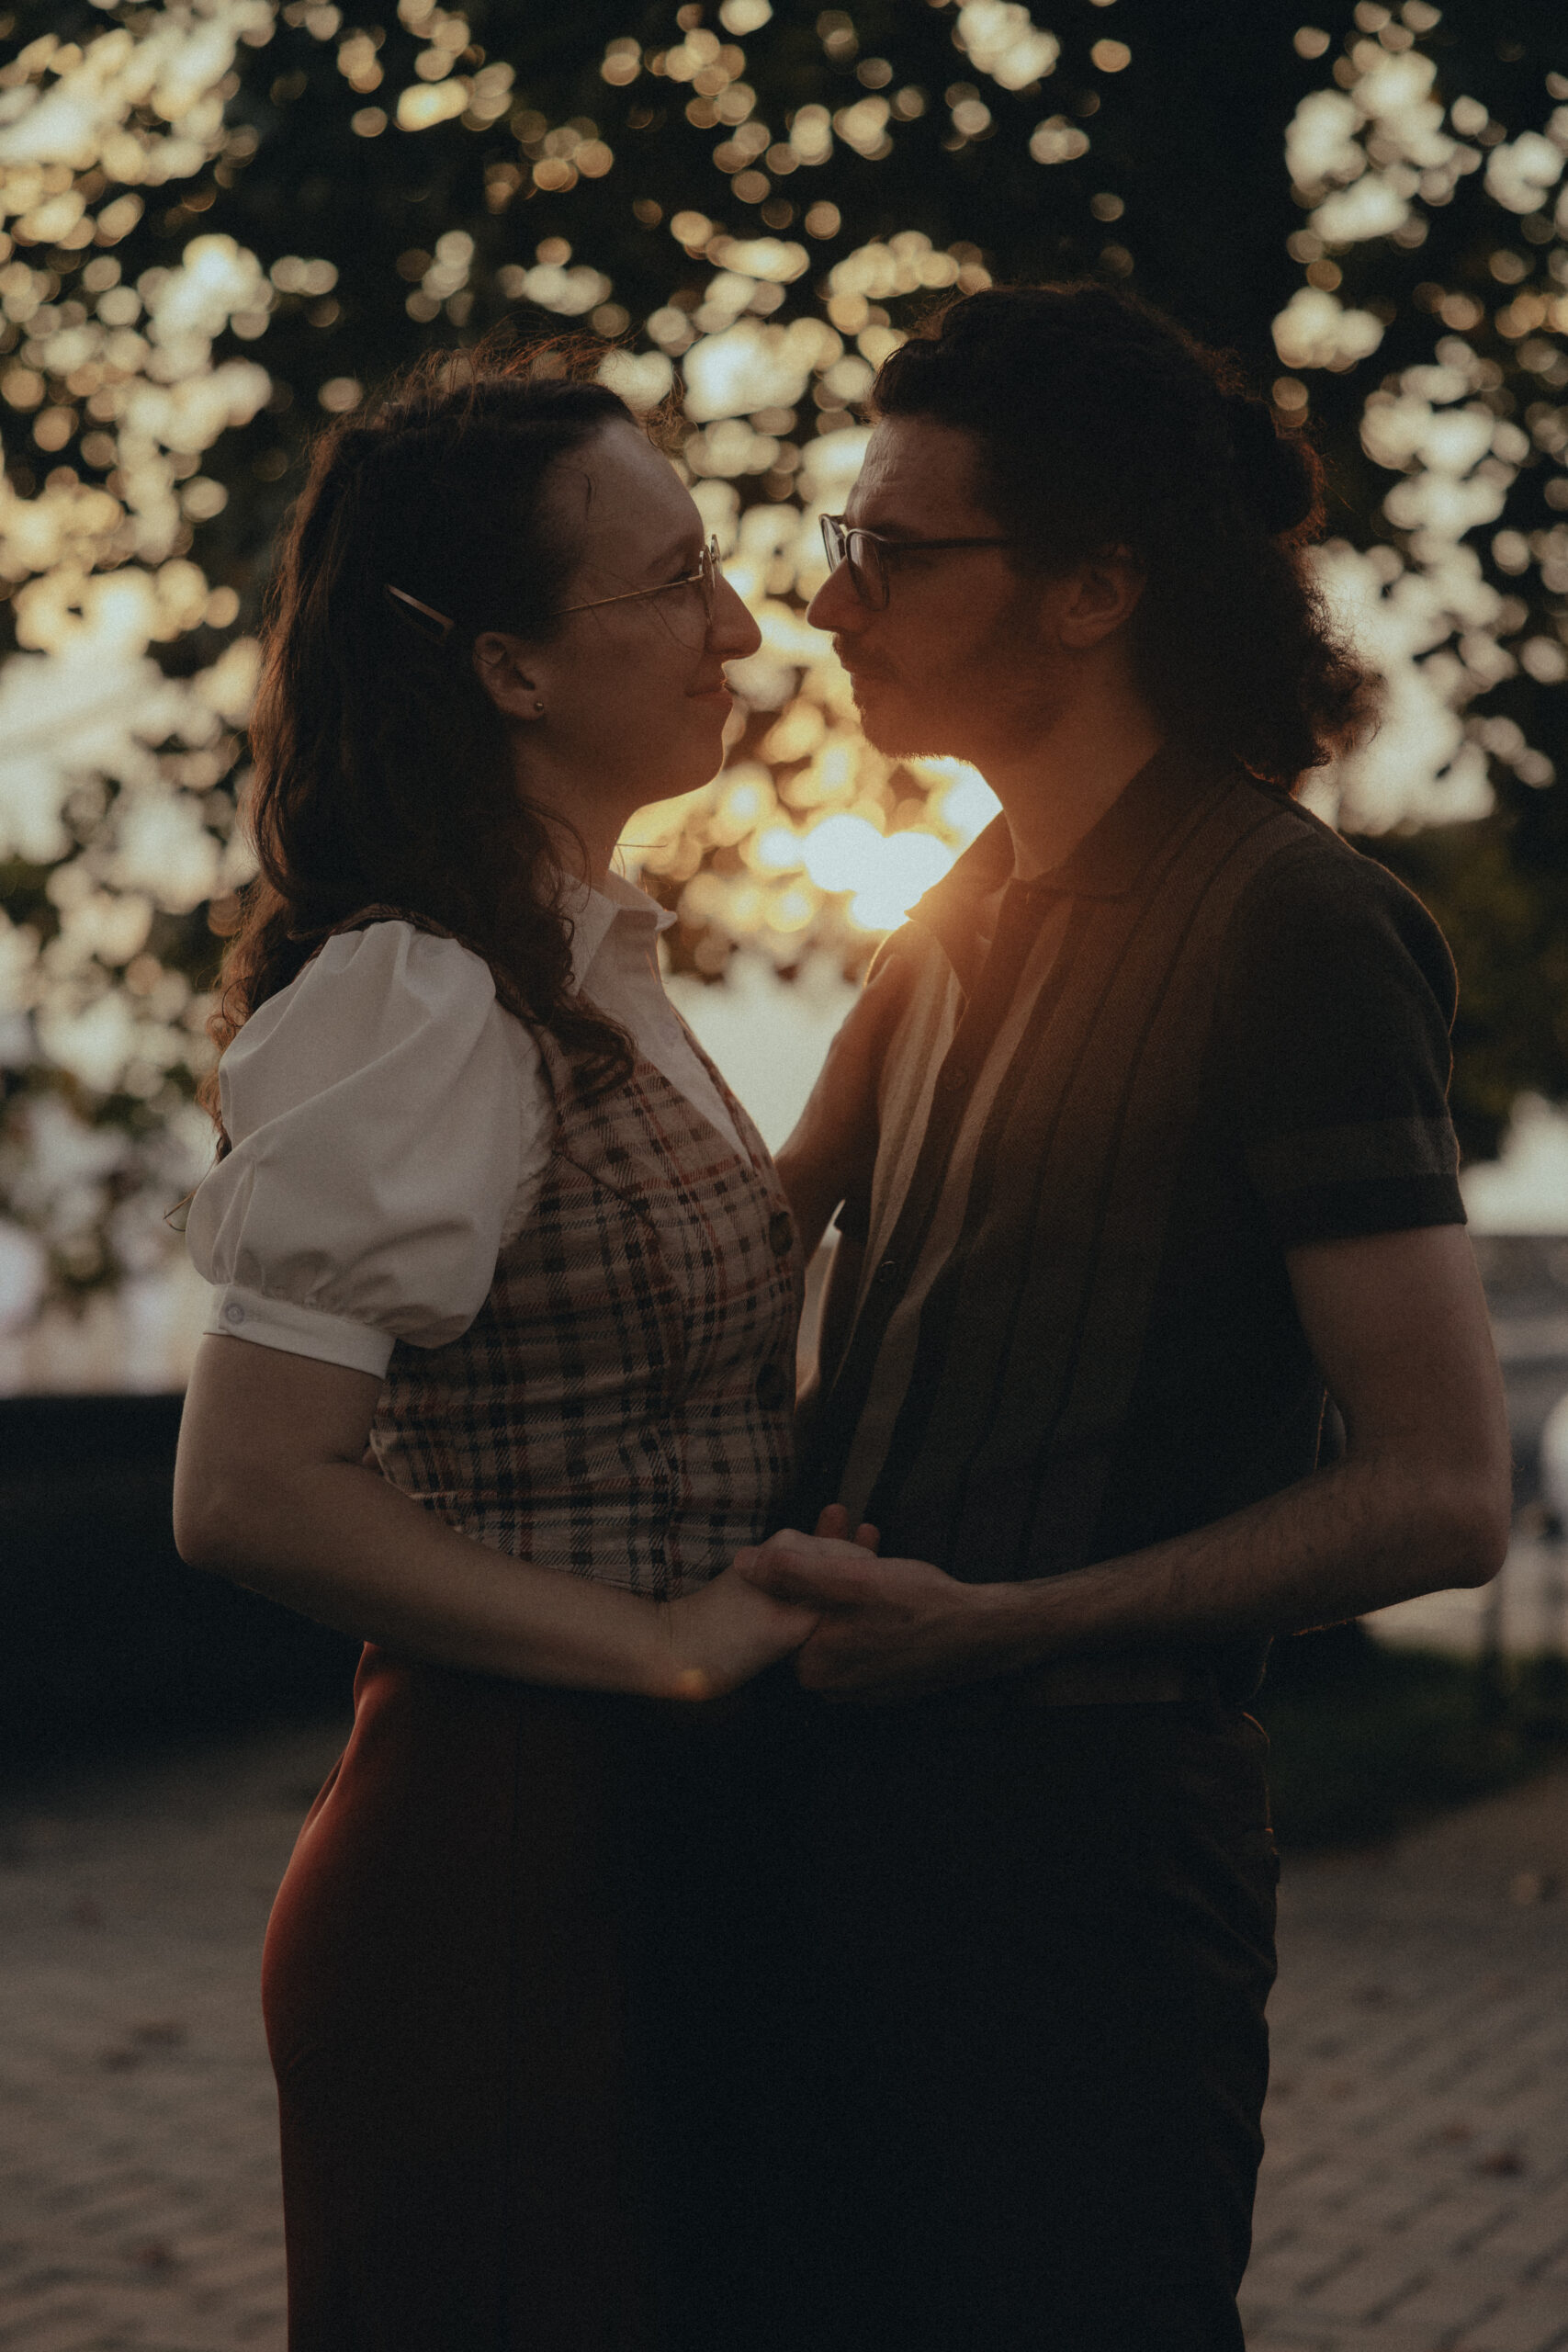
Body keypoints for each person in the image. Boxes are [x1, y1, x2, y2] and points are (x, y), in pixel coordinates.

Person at [742, 285, 1514, 2351]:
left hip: (1083, 1867)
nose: (833, 598)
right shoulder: (943, 910)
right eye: (843, 539)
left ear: (1090, 587)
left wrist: (1012, 1624)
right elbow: (730, 1255)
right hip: (827, 1821)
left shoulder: (1295, 923)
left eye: (894, 550)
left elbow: (1442, 1497)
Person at [171, 354, 861, 2351]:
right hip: (488, 1868)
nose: (736, 626)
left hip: (638, 1848)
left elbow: (646, 1304)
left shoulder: (579, 965)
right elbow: (247, 1487)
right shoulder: (419, 992)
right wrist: (664, 1636)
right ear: (506, 669)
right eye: (671, 582)